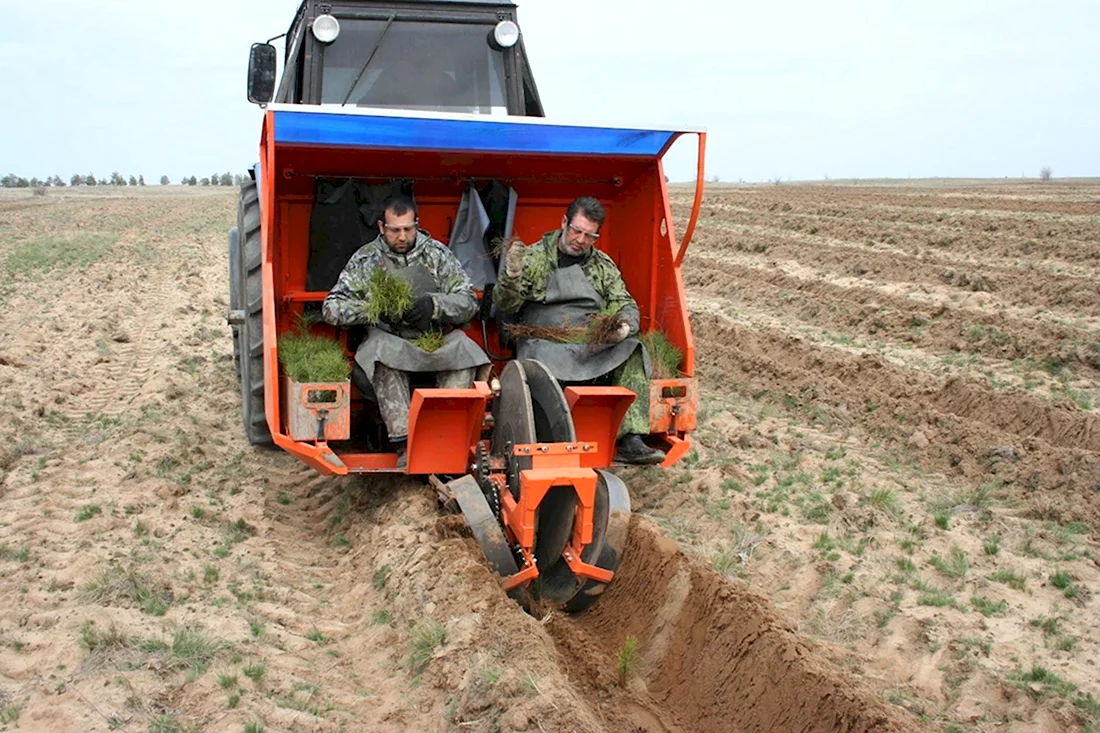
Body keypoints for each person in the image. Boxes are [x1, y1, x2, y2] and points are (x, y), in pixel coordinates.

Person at [493, 196, 665, 465]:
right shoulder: (535, 258)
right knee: (538, 357)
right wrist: (511, 277)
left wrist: (623, 327)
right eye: (576, 231)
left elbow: (626, 303)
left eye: (589, 235)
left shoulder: (602, 266)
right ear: (564, 222)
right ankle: (547, 440)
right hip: (543, 338)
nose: (581, 240)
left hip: (588, 340)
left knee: (633, 349)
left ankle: (630, 439)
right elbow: (505, 304)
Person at [322, 194, 489, 468]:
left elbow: (468, 300)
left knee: (465, 349)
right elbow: (332, 308)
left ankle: (444, 438)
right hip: (390, 341)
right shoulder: (366, 259)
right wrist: (375, 309)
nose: (402, 236)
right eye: (395, 230)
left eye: (408, 229)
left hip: (434, 340)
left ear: (417, 224)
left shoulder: (437, 254)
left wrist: (434, 305)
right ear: (381, 228)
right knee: (380, 352)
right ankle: (405, 443)